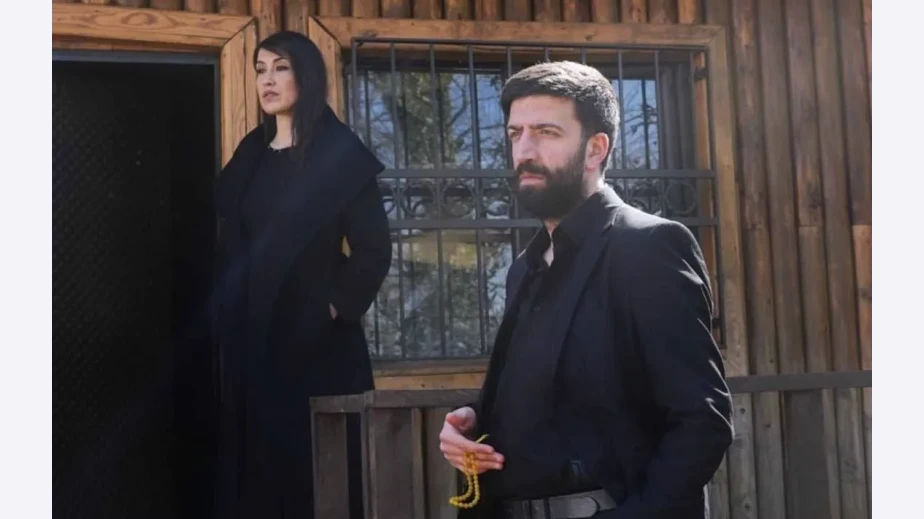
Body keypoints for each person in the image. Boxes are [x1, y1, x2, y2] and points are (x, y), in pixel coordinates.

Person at [439, 61, 733, 519]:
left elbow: (702, 420)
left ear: (596, 148)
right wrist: (473, 423)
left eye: (546, 132)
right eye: (515, 133)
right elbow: (566, 401)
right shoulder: (524, 268)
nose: (524, 151)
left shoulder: (649, 247)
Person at [210, 31, 391, 519]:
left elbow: (374, 249)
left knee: (315, 476)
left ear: (306, 76)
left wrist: (328, 309)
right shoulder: (252, 152)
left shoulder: (339, 153)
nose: (267, 81)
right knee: (254, 472)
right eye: (260, 70)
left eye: (281, 67)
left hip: (316, 343)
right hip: (252, 337)